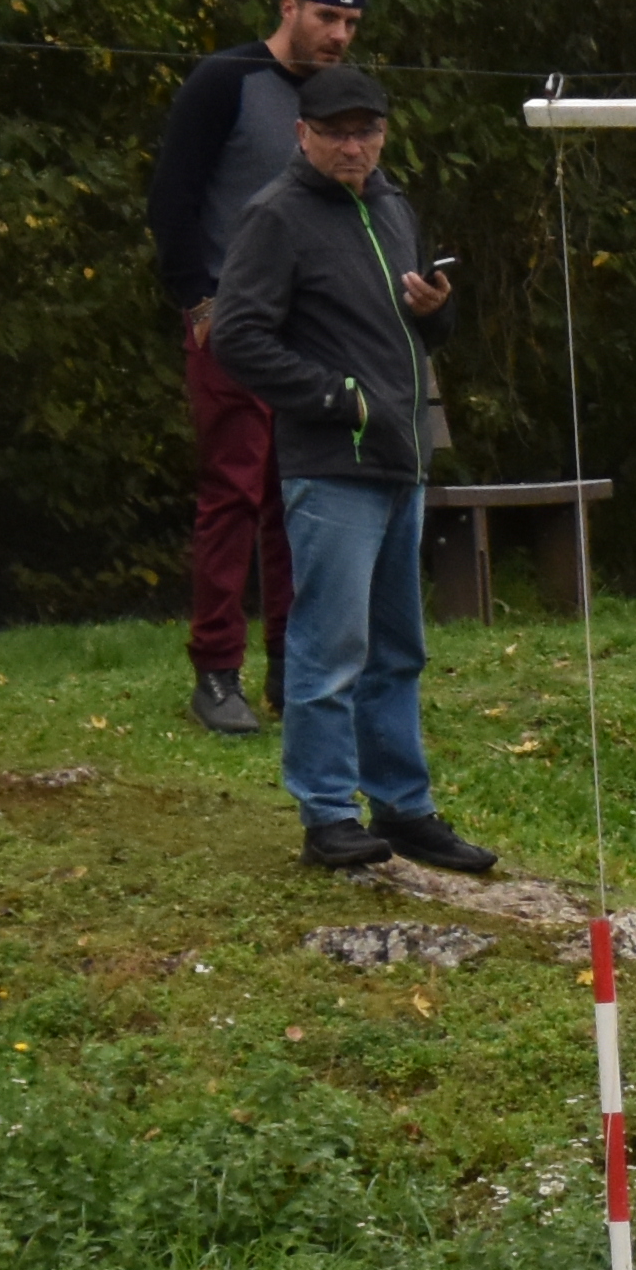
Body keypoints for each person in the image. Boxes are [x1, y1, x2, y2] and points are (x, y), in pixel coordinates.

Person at [202, 63, 493, 877]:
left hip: (402, 462)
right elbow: (239, 338)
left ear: (384, 134)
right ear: (303, 134)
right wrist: (339, 398)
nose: (352, 146)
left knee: (398, 651)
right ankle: (327, 813)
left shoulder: (392, 204)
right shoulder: (276, 217)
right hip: (332, 466)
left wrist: (440, 309)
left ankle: (404, 808)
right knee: (330, 650)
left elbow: (416, 329)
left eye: (366, 131)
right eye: (335, 132)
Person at [146, 0, 367, 737]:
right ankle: (216, 671)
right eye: (325, 17)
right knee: (233, 494)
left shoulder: (343, 102)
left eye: (350, 21)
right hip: (233, 320)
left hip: (316, 336)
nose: (339, 35)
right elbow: (171, 197)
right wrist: (195, 300)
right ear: (287, 7)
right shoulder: (225, 83)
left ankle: (292, 666)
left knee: (301, 500)